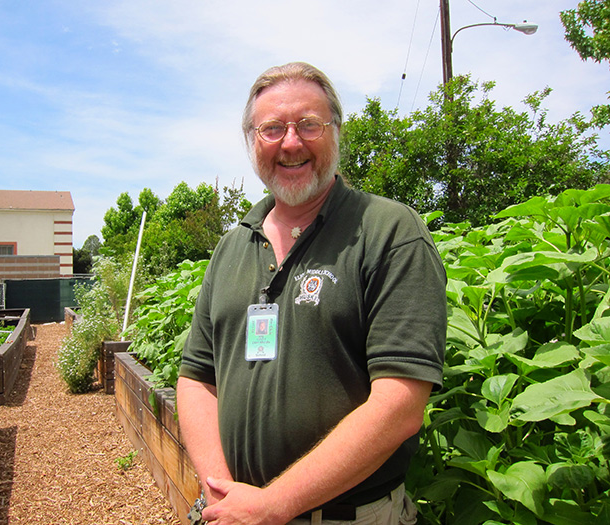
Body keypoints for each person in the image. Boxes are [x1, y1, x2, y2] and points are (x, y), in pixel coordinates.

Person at [177, 62, 447, 525]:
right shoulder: (232, 244)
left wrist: (274, 504)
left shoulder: (388, 232)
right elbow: (197, 378)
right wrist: (223, 494)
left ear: (336, 132)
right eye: (272, 128)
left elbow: (400, 402)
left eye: (309, 125)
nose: (291, 142)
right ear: (251, 142)